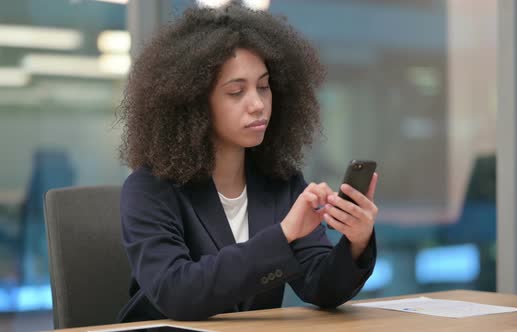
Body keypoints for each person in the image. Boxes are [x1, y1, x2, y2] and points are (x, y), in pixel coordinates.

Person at [116, 3, 379, 322]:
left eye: (264, 87)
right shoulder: (149, 188)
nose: (258, 104)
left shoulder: (280, 181)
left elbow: (321, 287)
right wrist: (282, 235)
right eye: (236, 92)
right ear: (194, 102)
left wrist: (356, 241)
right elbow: (177, 293)